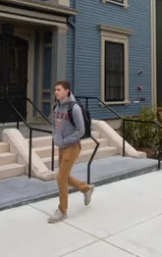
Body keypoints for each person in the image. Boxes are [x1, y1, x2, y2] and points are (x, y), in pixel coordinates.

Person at [47, 80, 95, 224]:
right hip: (61, 146)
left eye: (59, 90)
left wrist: (66, 140)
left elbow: (80, 130)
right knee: (65, 177)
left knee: (60, 177)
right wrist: (55, 137)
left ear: (67, 91)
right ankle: (86, 189)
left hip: (72, 146)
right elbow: (55, 125)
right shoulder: (56, 107)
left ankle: (62, 211)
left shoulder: (74, 108)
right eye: (55, 90)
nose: (56, 92)